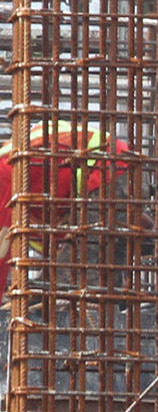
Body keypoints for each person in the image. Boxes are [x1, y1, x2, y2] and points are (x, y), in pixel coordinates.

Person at [0, 121, 149, 295]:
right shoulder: (29, 198)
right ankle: (110, 304)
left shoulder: (5, 173)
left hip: (110, 172)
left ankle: (101, 309)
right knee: (96, 276)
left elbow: (1, 257)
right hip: (119, 174)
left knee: (71, 275)